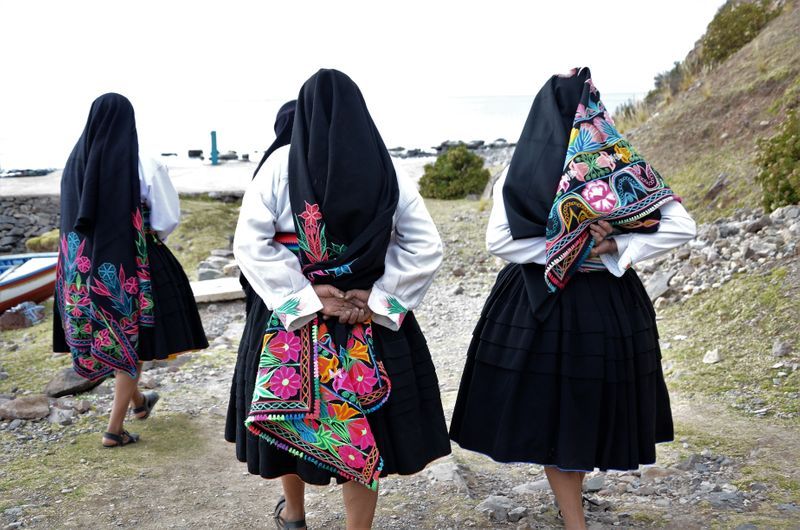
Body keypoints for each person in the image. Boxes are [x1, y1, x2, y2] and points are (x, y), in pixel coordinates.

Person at [449, 68, 696, 529]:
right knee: (582, 404)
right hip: (608, 303)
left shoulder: (520, 167)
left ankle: (573, 510)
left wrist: (568, 246)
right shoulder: (621, 163)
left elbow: (501, 241)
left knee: (559, 408)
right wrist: (609, 245)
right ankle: (574, 513)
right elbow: (682, 226)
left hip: (541, 302)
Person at [226, 69, 450, 530]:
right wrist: (380, 300)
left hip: (295, 327)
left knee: (290, 416)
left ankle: (294, 513)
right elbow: (425, 245)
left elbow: (251, 244)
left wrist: (305, 299)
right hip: (366, 324)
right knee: (365, 426)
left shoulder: (278, 166)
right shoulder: (386, 167)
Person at [53, 93, 208, 448]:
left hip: (77, 268)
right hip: (126, 266)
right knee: (129, 342)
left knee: (109, 341)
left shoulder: (75, 161)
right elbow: (166, 217)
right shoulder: (143, 161)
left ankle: (139, 402)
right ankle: (113, 429)